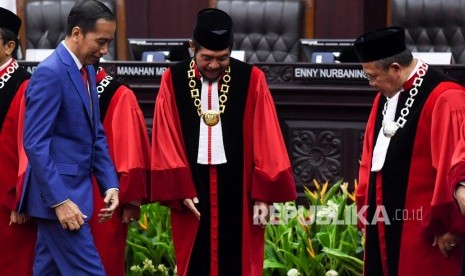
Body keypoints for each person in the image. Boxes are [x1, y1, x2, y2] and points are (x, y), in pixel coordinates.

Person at [150, 8, 296, 276]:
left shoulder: (251, 78)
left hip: (240, 189)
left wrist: (263, 195)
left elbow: (267, 137)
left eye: (222, 58)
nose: (214, 65)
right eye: (206, 57)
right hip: (192, 189)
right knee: (194, 259)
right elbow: (165, 137)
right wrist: (180, 188)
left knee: (240, 261)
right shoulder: (173, 79)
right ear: (191, 47)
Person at [19, 1, 119, 275]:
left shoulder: (86, 69)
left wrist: (110, 183)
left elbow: (94, 132)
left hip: (72, 198)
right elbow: (35, 143)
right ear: (76, 33)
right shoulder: (50, 73)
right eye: (100, 41)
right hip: (61, 203)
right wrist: (60, 202)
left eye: (108, 42)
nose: (105, 50)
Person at [355, 26, 465, 276]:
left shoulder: (446, 98)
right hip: (383, 224)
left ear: (395, 68)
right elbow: (370, 161)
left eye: (373, 77)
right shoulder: (385, 96)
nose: (371, 84)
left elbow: (455, 169)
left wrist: (451, 226)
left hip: (426, 233)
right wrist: (365, 213)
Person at [89, 65, 151, 276]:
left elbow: (131, 150)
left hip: (105, 196)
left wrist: (131, 201)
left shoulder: (118, 94)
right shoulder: (61, 88)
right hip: (63, 193)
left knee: (104, 261)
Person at [0, 7, 36, 276]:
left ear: (9, 46)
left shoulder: (24, 85)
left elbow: (30, 149)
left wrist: (21, 201)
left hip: (8, 200)